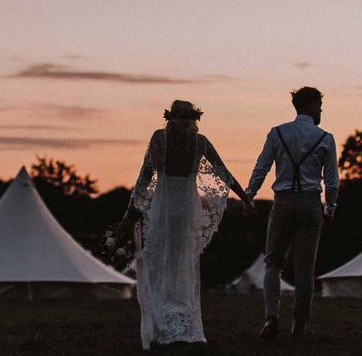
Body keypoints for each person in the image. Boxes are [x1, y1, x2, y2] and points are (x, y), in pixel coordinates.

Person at [125, 100, 255, 350]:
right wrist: (246, 199)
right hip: (186, 206)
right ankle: (181, 319)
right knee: (182, 258)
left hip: (164, 204)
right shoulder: (200, 142)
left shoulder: (158, 139)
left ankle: (162, 318)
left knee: (161, 258)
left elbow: (144, 176)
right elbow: (223, 174)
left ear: (170, 116)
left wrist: (129, 211)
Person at [245, 86, 339, 339]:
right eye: (319, 105)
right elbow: (332, 181)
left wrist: (249, 195)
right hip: (310, 204)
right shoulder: (326, 138)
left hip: (283, 203)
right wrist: (330, 208)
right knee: (305, 269)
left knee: (273, 263)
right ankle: (299, 325)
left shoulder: (277, 133)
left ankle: (271, 318)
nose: (321, 110)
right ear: (310, 105)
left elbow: (261, 167)